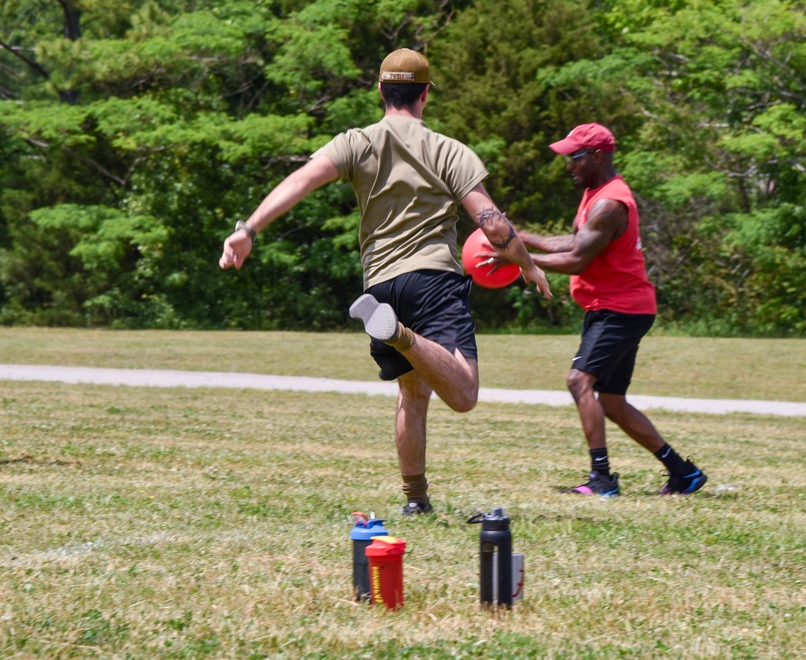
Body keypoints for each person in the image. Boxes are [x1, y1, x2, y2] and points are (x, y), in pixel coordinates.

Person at [220, 48, 552, 514]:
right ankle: (397, 332)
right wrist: (528, 265)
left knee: (412, 393)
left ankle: (416, 503)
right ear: (426, 95)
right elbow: (494, 227)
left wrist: (247, 230)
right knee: (464, 393)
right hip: (432, 279)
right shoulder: (448, 150)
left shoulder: (357, 142)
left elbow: (301, 180)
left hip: (380, 285)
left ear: (380, 90)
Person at [509, 122, 706, 496]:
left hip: (621, 309)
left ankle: (602, 480)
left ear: (598, 157)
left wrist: (517, 259)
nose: (569, 165)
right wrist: (520, 236)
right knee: (612, 402)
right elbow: (576, 240)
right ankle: (683, 473)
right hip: (614, 307)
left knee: (578, 381)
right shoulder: (595, 193)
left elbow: (578, 259)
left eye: (575, 157)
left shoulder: (610, 203)